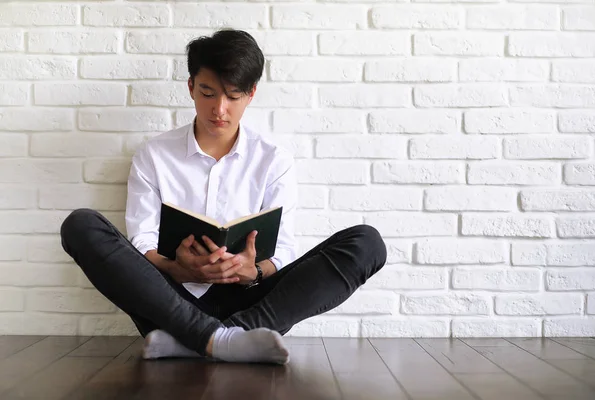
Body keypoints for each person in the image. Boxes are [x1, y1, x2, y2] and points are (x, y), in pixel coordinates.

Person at [60, 29, 387, 365]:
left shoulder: (273, 160)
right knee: (81, 225)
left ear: (251, 94)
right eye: (207, 93)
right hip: (171, 301)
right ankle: (224, 341)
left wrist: (253, 271)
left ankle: (198, 341)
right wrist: (176, 267)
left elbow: (284, 250)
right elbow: (142, 241)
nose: (219, 109)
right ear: (191, 87)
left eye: (233, 96)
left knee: (367, 244)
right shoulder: (153, 155)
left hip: (253, 304)